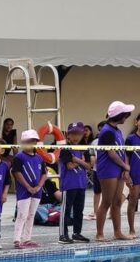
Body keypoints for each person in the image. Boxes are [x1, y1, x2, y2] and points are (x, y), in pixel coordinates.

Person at [95, 101, 134, 241]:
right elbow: (111, 153)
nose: (127, 118)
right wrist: (125, 166)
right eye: (125, 115)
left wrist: (124, 168)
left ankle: (117, 232)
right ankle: (99, 233)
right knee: (106, 202)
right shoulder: (107, 131)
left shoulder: (117, 130)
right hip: (108, 170)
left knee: (117, 202)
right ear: (119, 116)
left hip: (117, 168)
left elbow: (121, 151)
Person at [58, 122, 93, 243]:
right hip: (69, 184)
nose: (75, 137)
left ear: (82, 134)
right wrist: (81, 161)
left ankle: (77, 233)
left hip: (81, 183)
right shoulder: (65, 149)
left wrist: (76, 160)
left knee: (79, 210)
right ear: (68, 135)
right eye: (72, 134)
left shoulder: (84, 148)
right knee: (66, 210)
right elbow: (70, 166)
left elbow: (89, 166)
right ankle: (63, 234)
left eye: (78, 133)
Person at [12, 129, 47, 248]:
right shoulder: (19, 157)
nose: (30, 144)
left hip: (37, 191)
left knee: (31, 214)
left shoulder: (39, 158)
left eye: (32, 141)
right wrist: (28, 187)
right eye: (27, 141)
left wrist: (38, 186)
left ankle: (27, 238)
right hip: (24, 191)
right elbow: (17, 173)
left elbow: (44, 173)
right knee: (22, 214)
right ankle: (17, 239)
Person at [126, 115, 140, 238]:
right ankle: (131, 230)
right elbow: (126, 159)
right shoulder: (130, 139)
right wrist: (127, 174)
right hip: (135, 174)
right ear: (136, 122)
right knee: (133, 202)